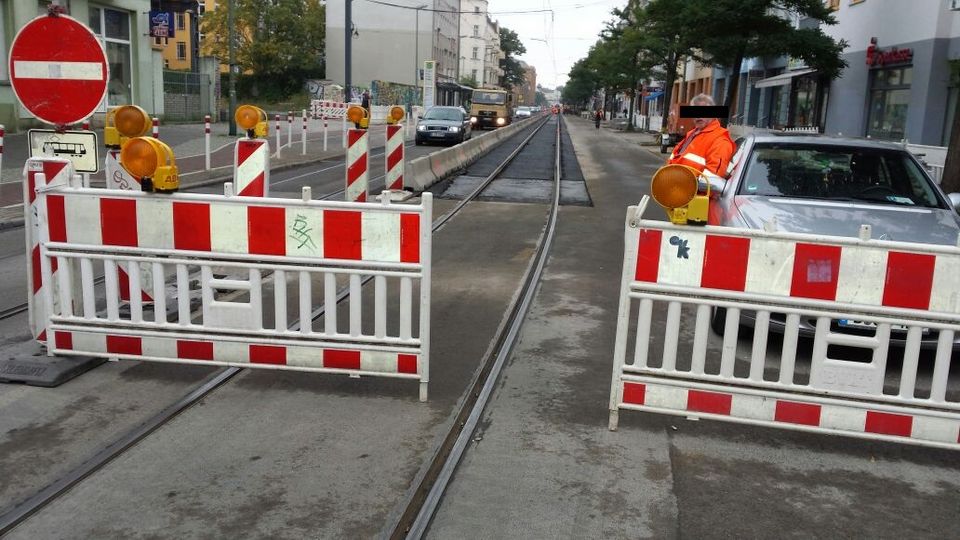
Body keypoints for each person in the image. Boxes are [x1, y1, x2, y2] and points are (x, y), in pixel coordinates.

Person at [667, 93, 735, 178]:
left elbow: (712, 179)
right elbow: (674, 159)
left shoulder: (720, 140)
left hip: (693, 190)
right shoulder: (691, 134)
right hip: (675, 187)